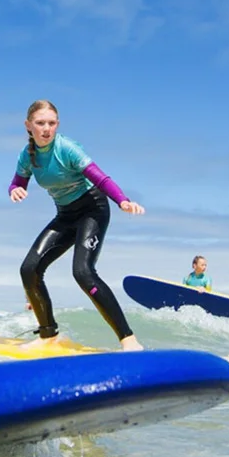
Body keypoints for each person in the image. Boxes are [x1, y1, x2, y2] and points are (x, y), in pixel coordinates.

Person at [9, 100, 145, 351]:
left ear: (57, 124)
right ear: (28, 126)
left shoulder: (67, 148)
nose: (46, 128)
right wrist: (15, 189)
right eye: (40, 123)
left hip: (93, 210)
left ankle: (129, 340)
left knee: (83, 272)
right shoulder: (27, 156)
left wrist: (122, 200)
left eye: (51, 123)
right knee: (29, 269)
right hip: (65, 215)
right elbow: (18, 182)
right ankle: (48, 336)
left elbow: (100, 178)